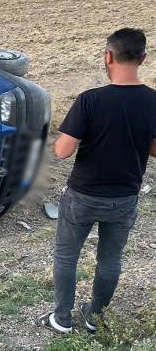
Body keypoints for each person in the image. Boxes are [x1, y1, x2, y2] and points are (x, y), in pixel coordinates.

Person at [39, 28, 156, 334]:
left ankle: (62, 319)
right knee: (110, 259)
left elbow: (63, 151)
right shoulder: (153, 101)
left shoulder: (90, 100)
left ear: (107, 56)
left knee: (67, 256)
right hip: (124, 198)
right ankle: (95, 318)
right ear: (143, 58)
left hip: (83, 196)